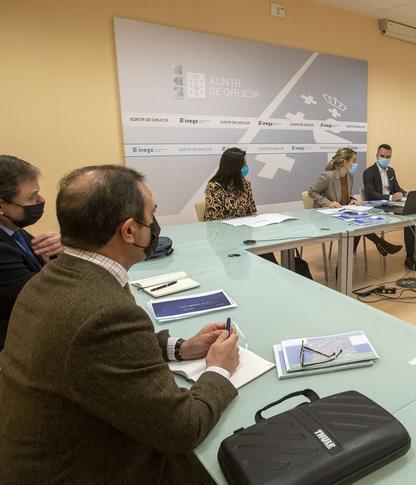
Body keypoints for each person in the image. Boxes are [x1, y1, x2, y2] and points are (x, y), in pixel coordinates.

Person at [0, 165, 240, 483]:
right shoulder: (103, 313)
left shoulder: (55, 277)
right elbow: (182, 429)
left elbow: (102, 352)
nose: (155, 225)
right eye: (151, 215)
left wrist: (181, 347)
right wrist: (219, 370)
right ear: (129, 231)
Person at [0, 155, 62, 350]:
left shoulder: (13, 231)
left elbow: (44, 261)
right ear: (1, 207)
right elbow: (42, 298)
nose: (41, 200)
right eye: (32, 197)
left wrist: (60, 249)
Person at [363, 144, 416, 271]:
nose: (385, 159)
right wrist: (390, 197)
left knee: (412, 212)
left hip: (391, 204)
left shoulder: (391, 171)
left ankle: (410, 256)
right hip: (378, 206)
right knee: (409, 217)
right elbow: (370, 193)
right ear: (377, 156)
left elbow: (396, 187)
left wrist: (405, 193)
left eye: (388, 157)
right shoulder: (369, 172)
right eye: (382, 156)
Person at [308, 147, 401, 256]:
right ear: (345, 162)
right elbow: (311, 192)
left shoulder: (349, 176)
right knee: (357, 227)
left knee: (360, 224)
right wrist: (329, 203)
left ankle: (347, 259)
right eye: (354, 161)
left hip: (341, 212)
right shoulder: (328, 176)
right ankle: (379, 244)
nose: (355, 164)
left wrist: (352, 200)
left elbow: (345, 196)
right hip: (326, 214)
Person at [204, 147, 256, 221]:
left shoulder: (246, 184)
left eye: (246, 164)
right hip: (222, 228)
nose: (246, 167)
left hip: (245, 226)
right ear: (233, 167)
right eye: (243, 165)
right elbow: (214, 220)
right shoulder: (214, 187)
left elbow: (252, 212)